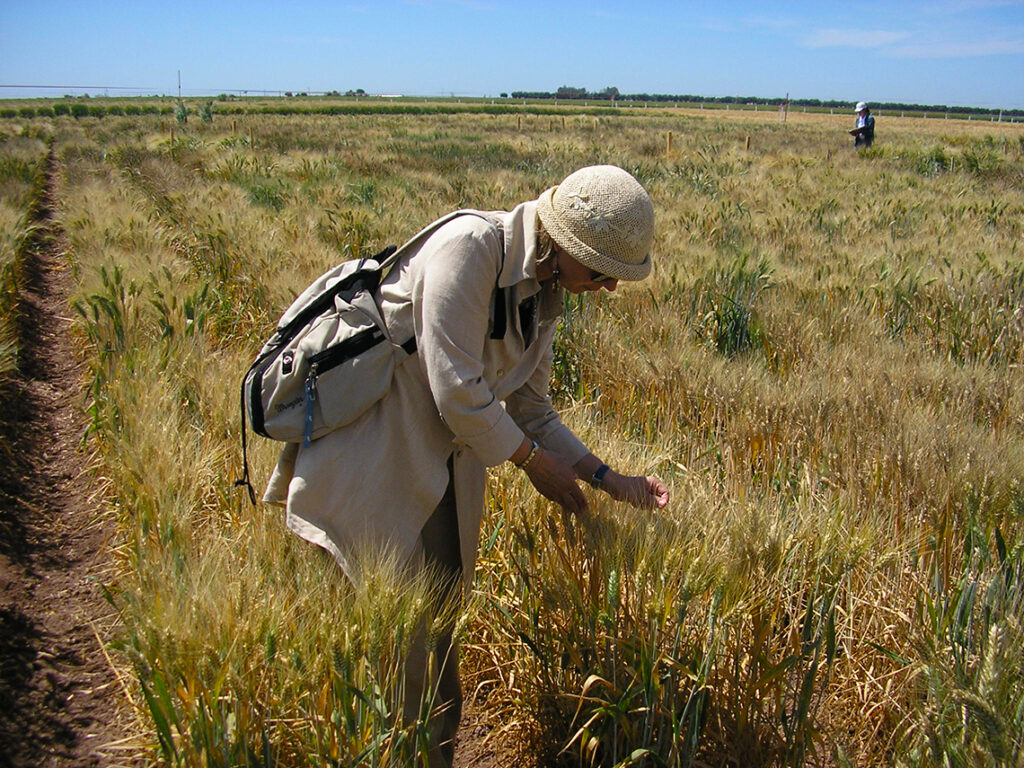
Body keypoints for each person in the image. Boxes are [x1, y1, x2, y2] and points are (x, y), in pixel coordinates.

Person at [263, 164, 671, 766]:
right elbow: (455, 387)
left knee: (440, 646)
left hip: (447, 471)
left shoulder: (547, 291)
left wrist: (607, 479)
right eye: (605, 271)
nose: (609, 288)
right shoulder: (471, 248)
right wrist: (533, 465)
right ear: (565, 245)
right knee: (394, 662)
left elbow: (533, 408)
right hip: (379, 463)